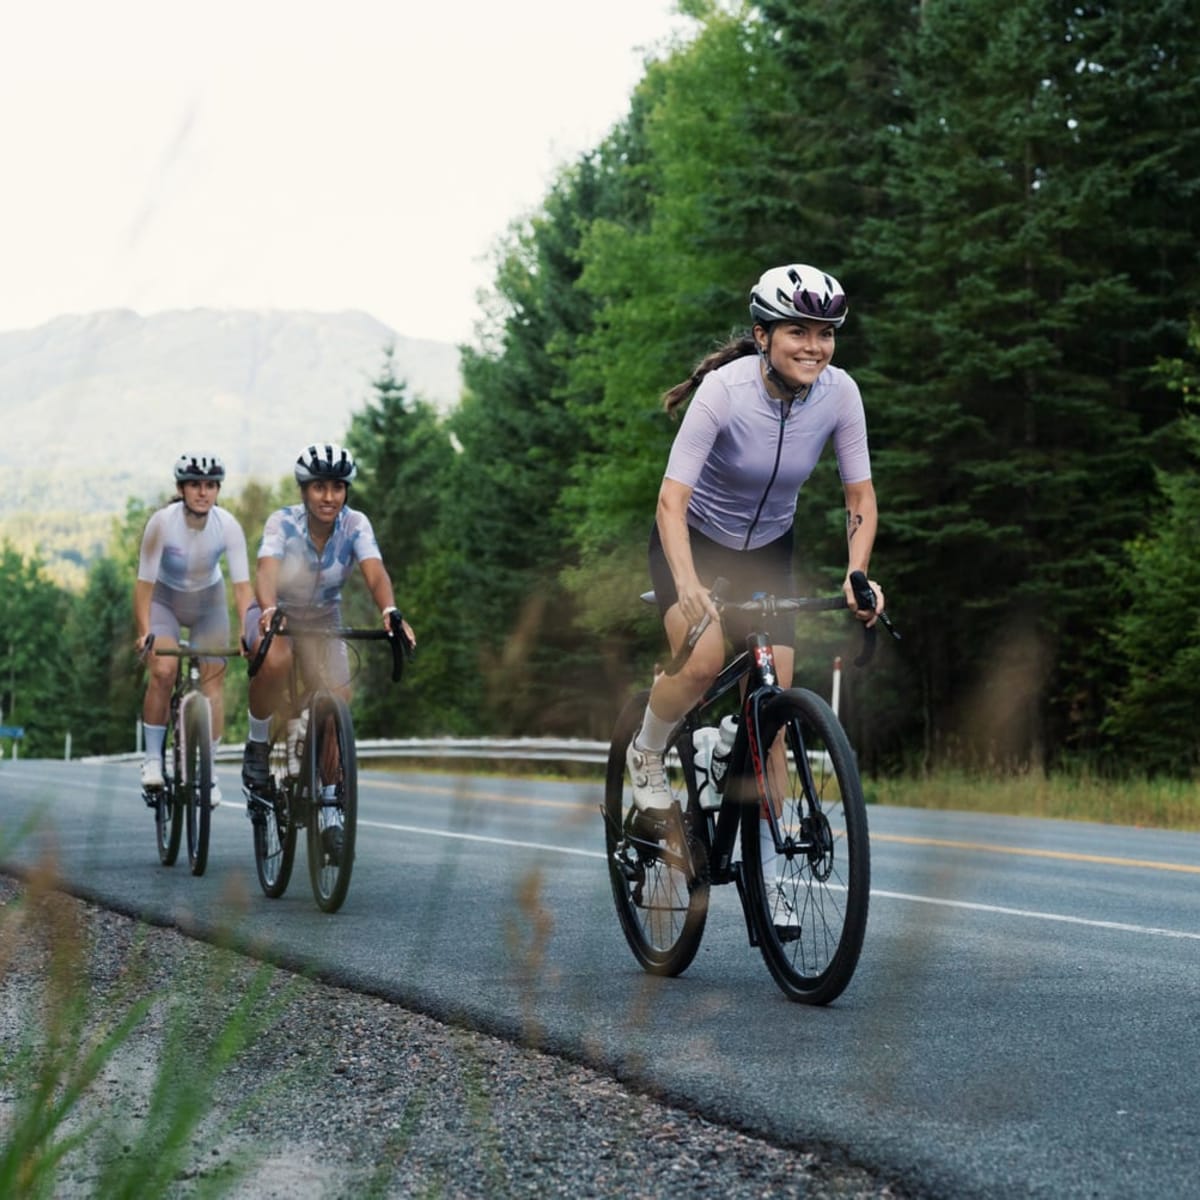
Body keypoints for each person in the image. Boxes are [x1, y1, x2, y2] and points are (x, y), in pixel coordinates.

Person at [626, 263, 885, 913]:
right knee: (704, 659)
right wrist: (688, 584)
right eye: (798, 331)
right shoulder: (724, 391)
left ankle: (770, 875)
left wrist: (857, 574)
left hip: (770, 549)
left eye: (826, 333)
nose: (814, 347)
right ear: (763, 335)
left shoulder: (840, 394)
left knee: (774, 711)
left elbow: (859, 496)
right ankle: (647, 751)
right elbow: (670, 501)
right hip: (693, 539)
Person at [240, 442, 416, 803]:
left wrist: (389, 610)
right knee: (276, 660)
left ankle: (332, 795)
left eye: (337, 487)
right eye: (319, 487)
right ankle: (257, 745)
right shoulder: (282, 522)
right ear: (304, 490)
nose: (329, 497)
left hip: (323, 617)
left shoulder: (356, 524)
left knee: (339, 696)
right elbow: (266, 571)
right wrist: (269, 609)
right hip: (276, 610)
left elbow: (375, 571)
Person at [135, 453, 253, 807]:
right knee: (164, 670)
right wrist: (145, 632)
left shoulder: (228, 526)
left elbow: (242, 588)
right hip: (165, 602)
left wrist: (247, 629)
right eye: (195, 485)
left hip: (208, 604)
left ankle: (208, 773)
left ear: (218, 490)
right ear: (181, 488)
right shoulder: (161, 524)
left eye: (210, 486)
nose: (203, 492)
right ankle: (152, 759)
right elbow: (144, 585)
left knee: (213, 682)